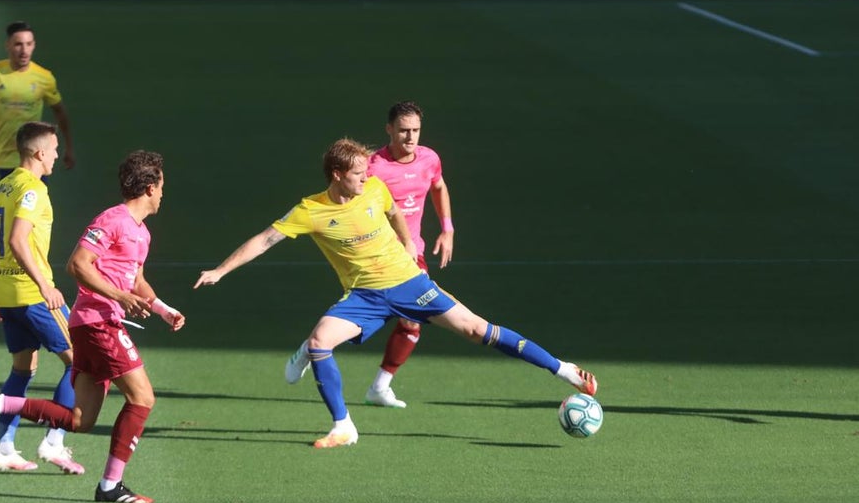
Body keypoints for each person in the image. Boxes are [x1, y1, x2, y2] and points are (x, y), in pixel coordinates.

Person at [193, 138, 597, 449]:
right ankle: (343, 427)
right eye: (357, 174)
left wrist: (407, 243)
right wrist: (220, 270)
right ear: (336, 174)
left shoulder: (373, 189)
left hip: (410, 284)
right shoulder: (310, 211)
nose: (366, 178)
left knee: (477, 330)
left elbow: (394, 212)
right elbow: (264, 240)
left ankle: (563, 369)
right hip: (365, 296)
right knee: (319, 341)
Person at [0, 150, 184, 503]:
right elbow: (77, 264)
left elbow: (135, 279)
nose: (163, 194)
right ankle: (111, 484)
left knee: (80, 420)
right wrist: (118, 297)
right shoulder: (112, 220)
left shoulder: (141, 232)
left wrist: (161, 308)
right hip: (97, 323)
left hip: (101, 322)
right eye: (161, 186)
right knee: (142, 398)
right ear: (149, 187)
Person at [285, 100, 453, 408]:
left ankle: (379, 385)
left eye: (416, 130)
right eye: (403, 130)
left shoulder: (429, 158)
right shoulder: (372, 167)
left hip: (410, 250)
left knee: (410, 324)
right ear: (389, 130)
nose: (410, 137)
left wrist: (447, 228)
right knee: (382, 317)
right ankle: (313, 346)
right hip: (376, 256)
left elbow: (438, 186)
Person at [0, 121, 83, 474]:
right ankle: (54, 441)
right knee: (80, 361)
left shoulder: (1, 186)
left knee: (23, 370)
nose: (55, 155)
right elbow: (17, 240)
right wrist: (44, 285)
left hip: (8, 294)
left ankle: (4, 449)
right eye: (53, 150)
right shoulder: (34, 189)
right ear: (39, 153)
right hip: (33, 294)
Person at [0, 20, 75, 195]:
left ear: (34, 45)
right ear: (8, 45)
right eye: (18, 44)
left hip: (33, 162)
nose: (24, 50)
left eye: (29, 44)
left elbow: (59, 112)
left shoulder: (44, 77)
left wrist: (69, 147)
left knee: (34, 218)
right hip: (0, 161)